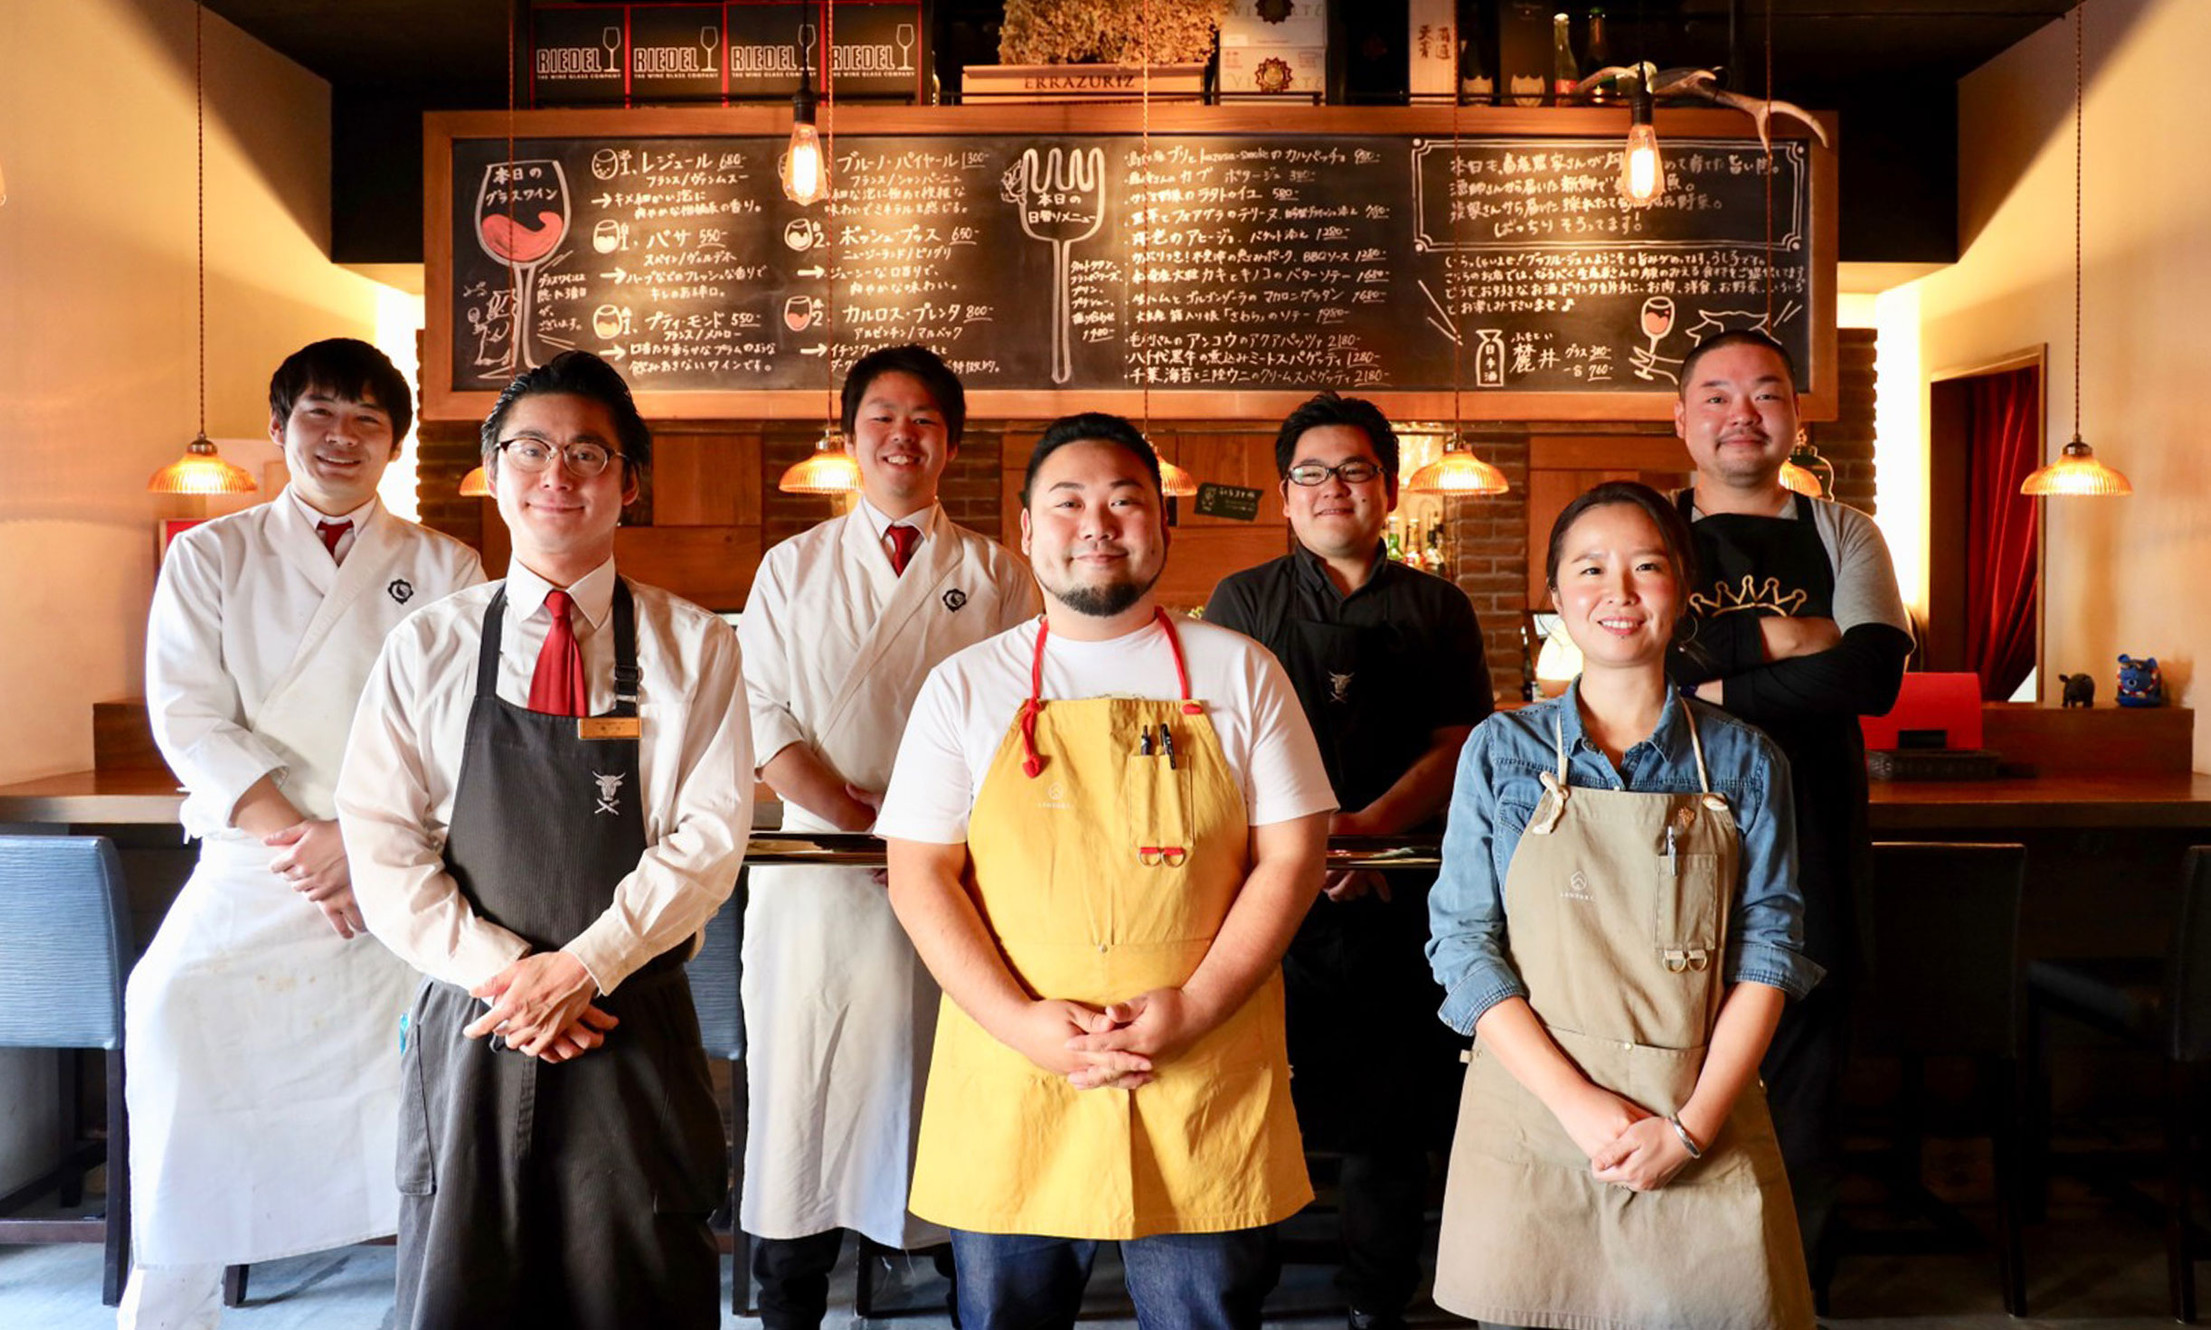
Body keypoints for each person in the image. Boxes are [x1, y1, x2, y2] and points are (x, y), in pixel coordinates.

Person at [877, 412, 1336, 1329]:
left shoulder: (1242, 671)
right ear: (1025, 531)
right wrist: (1021, 1024)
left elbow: (1293, 856)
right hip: (1017, 1067)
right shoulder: (965, 685)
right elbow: (920, 873)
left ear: (1161, 523)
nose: (1098, 523)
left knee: (1204, 1315)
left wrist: (1195, 1007)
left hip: (1200, 1062)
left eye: (1125, 501)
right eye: (1069, 503)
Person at [336, 350, 752, 1330]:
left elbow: (709, 837)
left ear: (629, 483)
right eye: (530, 449)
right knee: (466, 1290)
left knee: (634, 1289)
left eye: (587, 453)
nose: (557, 475)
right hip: (478, 1027)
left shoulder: (694, 645)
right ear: (493, 469)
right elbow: (382, 837)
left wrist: (589, 966)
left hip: (630, 1025)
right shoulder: (428, 646)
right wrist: (513, 974)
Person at [121, 338, 484, 1330]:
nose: (341, 437)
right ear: (280, 430)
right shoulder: (212, 553)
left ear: (395, 445)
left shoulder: (444, 562)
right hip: (259, 857)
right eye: (320, 414)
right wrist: (306, 844)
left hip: (397, 861)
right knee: (166, 1006)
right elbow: (190, 717)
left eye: (367, 419)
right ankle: (171, 1300)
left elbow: (453, 727)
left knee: (442, 1073)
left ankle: (431, 1296)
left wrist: (360, 845)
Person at [1427, 481, 1824, 1329]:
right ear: (1556, 596)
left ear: (1680, 589)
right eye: (1590, 568)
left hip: (1697, 1116)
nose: (1618, 591)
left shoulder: (1748, 760)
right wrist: (1580, 1107)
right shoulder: (1501, 750)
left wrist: (1686, 1129)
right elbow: (1461, 945)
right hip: (1534, 1120)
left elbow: (1768, 952)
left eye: (1645, 566)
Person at [736, 344, 1037, 1326]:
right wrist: (862, 817)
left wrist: (923, 837)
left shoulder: (997, 571)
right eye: (882, 417)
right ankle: (790, 1301)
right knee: (803, 1095)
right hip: (819, 870)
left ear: (950, 442)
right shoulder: (792, 565)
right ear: (851, 434)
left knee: (948, 1083)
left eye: (923, 420)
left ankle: (970, 1288)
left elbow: (1032, 722)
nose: (901, 436)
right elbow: (759, 710)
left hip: (956, 874)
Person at [1203, 391, 1489, 1330]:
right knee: (1251, 1099)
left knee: (1389, 1118)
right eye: (1312, 474)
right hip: (1262, 895)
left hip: (1400, 882)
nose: (1333, 489)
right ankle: (1237, 1294)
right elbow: (1221, 747)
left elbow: (1459, 742)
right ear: (1284, 495)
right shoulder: (1241, 601)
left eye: (1355, 470)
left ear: (1390, 489)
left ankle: (1377, 1299)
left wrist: (1366, 831)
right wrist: (1306, 849)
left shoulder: (1437, 605)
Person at [1666, 329, 1913, 1278]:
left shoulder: (1843, 531)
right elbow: (1638, 668)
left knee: (1806, 1056)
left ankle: (1792, 1281)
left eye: (1765, 394)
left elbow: (1870, 676)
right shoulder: (1645, 526)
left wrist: (1714, 683)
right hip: (1672, 829)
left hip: (1811, 822)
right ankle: (1682, 1275)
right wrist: (1786, 637)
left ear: (1794, 418)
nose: (1741, 414)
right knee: (1671, 1041)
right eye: (1717, 396)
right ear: (1681, 418)